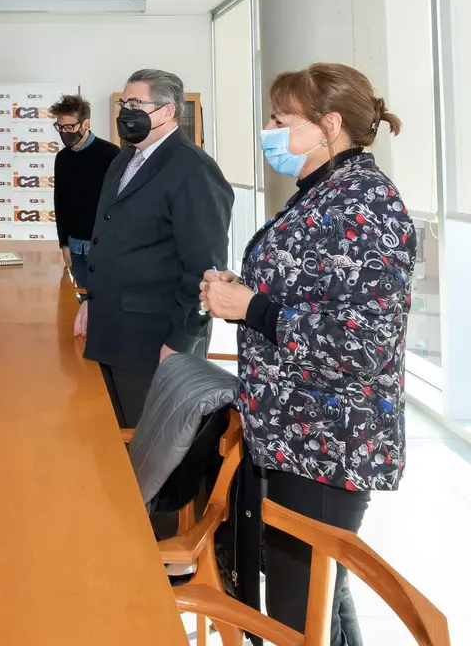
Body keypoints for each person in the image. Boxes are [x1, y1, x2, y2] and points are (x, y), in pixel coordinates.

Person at [201, 63, 414, 646]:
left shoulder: (369, 204)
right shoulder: (325, 191)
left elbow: (362, 344)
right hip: (295, 433)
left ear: (330, 125)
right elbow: (312, 292)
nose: (269, 131)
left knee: (302, 610)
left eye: (280, 120)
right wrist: (242, 292)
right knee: (320, 598)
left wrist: (252, 308)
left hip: (329, 440)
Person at [76, 69, 233, 428]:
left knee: (152, 445)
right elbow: (112, 240)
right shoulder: (124, 159)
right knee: (112, 438)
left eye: (136, 103)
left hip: (156, 341)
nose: (125, 111)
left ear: (167, 111)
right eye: (123, 103)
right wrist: (91, 302)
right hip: (112, 328)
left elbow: (205, 267)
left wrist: (180, 342)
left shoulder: (194, 170)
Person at [50, 94, 120, 289]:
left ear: (85, 124)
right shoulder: (62, 158)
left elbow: (120, 206)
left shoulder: (111, 154)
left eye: (69, 127)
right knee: (81, 305)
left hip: (103, 248)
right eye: (60, 127)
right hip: (74, 248)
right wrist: (63, 243)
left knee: (104, 306)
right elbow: (60, 202)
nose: (64, 132)